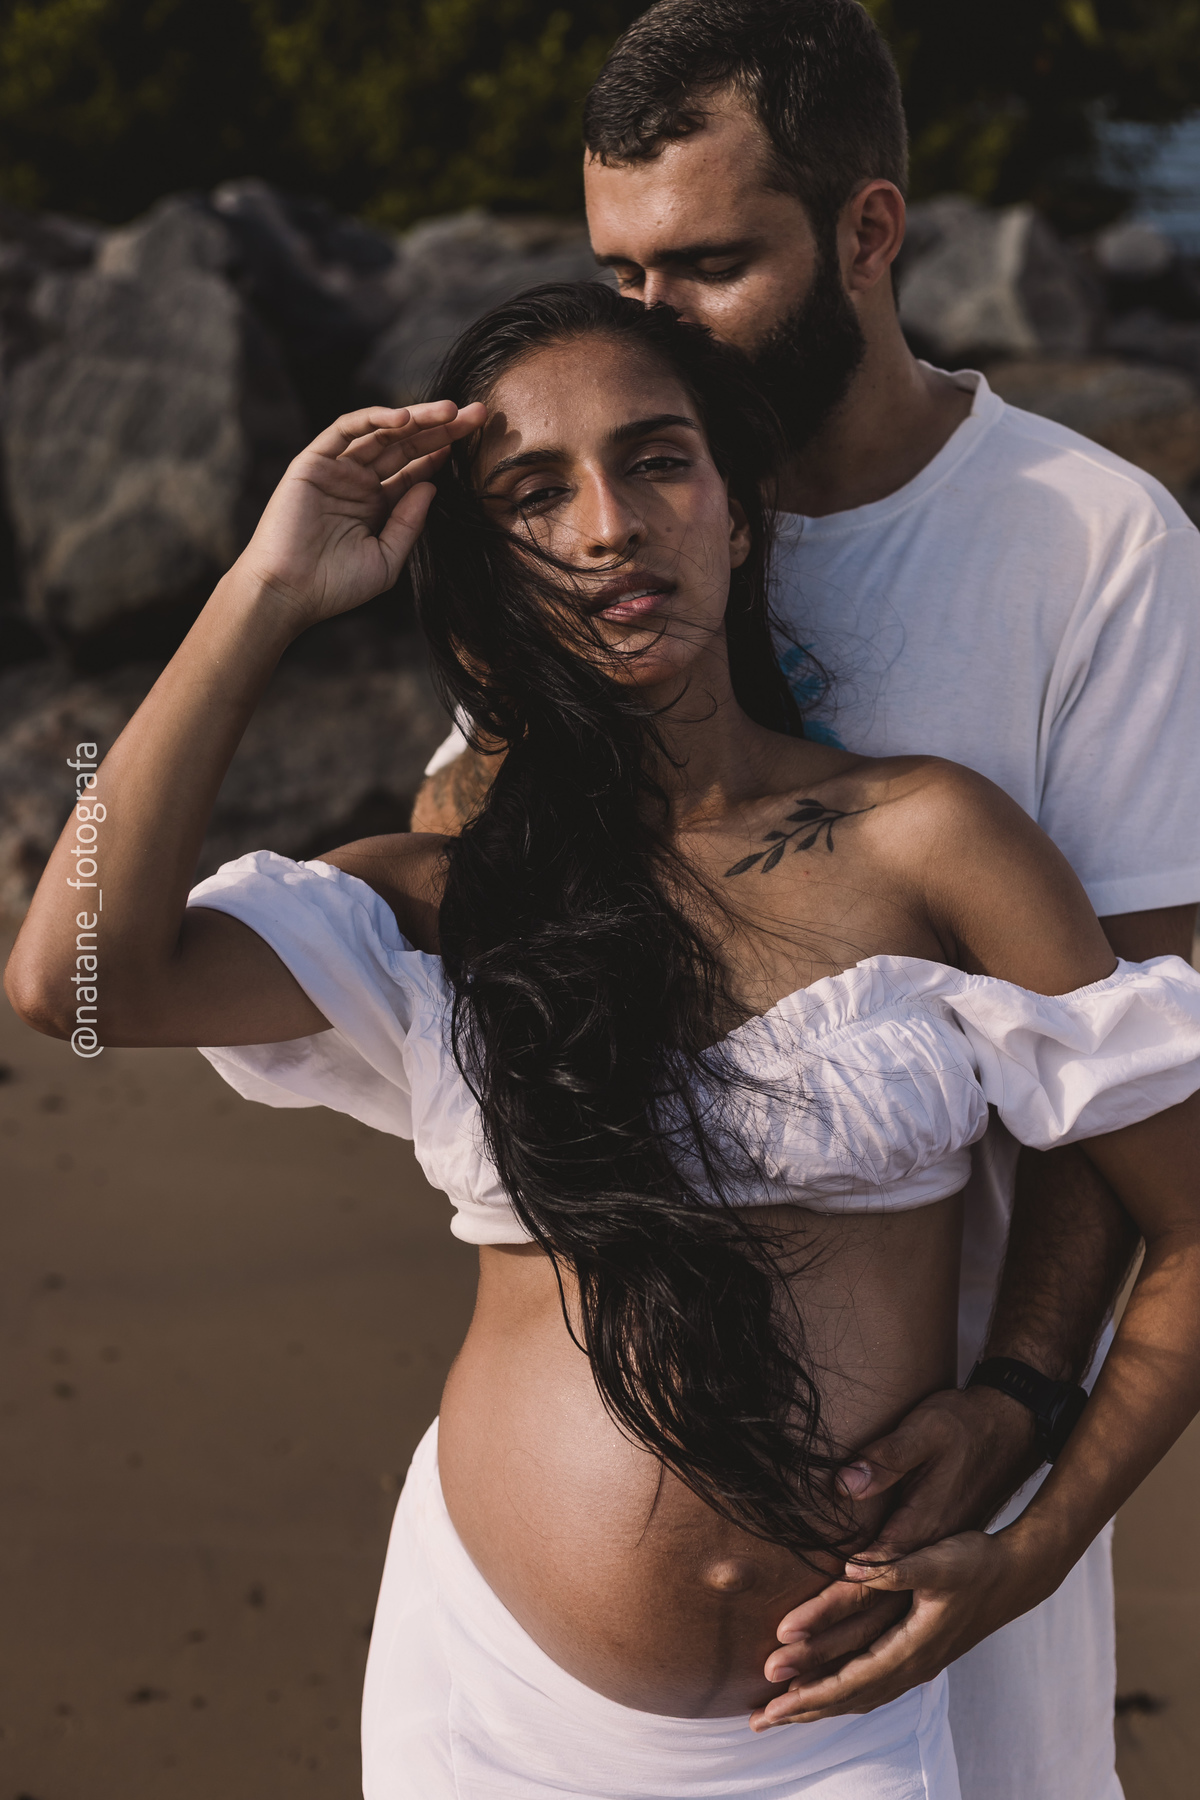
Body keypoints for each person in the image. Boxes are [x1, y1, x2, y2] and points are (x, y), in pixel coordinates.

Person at [8, 283, 1200, 1800]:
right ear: (485, 565)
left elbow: (1190, 1223)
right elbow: (74, 982)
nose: (611, 527)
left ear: (741, 514)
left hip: (837, 1726)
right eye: (535, 494)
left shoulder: (934, 838)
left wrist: (1036, 1540)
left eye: (656, 462)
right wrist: (266, 588)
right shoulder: (446, 899)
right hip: (488, 1716)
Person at [412, 6, 1200, 1793]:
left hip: (953, 1474)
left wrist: (1016, 1401)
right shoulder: (627, 508)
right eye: (618, 270)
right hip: (544, 1632)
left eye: (706, 266)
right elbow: (453, 868)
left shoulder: (1089, 548)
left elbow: (1145, 1071)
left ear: (868, 230)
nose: (649, 319)